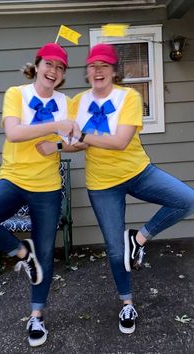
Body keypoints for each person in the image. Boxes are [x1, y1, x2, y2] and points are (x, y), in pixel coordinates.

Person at [37, 43, 194, 335]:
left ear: (113, 71)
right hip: (102, 183)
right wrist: (56, 145)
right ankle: (127, 303)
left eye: (104, 65)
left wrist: (82, 134)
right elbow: (77, 142)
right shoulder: (77, 103)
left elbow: (120, 141)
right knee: (114, 249)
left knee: (186, 200)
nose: (98, 71)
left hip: (138, 172)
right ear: (86, 72)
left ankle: (140, 238)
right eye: (93, 65)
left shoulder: (129, 98)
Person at [0, 42, 74, 347]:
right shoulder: (18, 94)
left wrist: (58, 144)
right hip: (13, 179)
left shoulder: (67, 102)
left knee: (46, 254)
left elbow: (79, 140)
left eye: (60, 67)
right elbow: (13, 132)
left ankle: (37, 318)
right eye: (49, 64)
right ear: (37, 65)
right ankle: (21, 253)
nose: (53, 71)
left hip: (48, 186)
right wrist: (55, 125)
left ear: (63, 75)